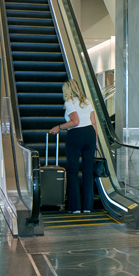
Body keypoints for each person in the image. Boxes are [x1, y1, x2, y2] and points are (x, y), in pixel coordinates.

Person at [49, 79, 98, 214]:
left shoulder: (69, 102)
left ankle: (75, 207)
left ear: (67, 90)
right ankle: (87, 207)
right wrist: (96, 142)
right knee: (88, 172)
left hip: (76, 135)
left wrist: (58, 127)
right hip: (90, 134)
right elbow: (94, 122)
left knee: (73, 171)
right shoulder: (86, 101)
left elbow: (75, 122)